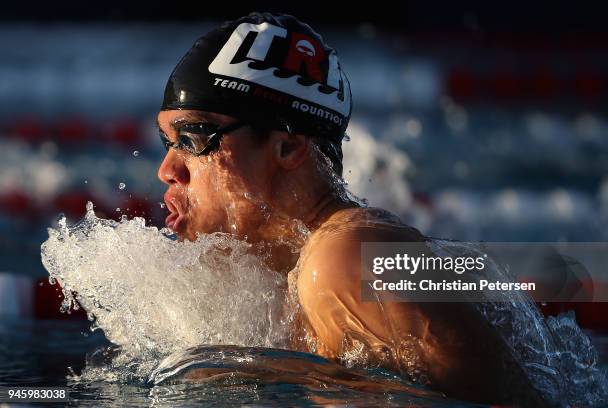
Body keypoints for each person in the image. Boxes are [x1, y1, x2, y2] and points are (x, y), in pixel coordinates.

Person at [156, 12, 543, 405]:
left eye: (192, 138)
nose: (167, 170)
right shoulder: (296, 271)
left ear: (287, 147)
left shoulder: (345, 261)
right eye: (167, 141)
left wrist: (264, 373)